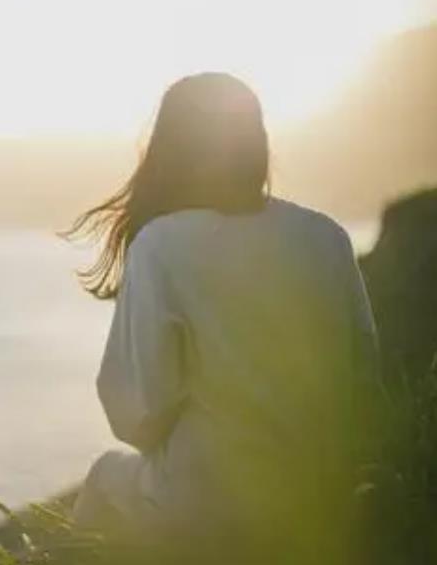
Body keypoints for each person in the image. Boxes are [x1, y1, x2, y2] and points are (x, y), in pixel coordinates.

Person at [64, 73, 381, 562]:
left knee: (105, 476)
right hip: (322, 497)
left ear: (170, 150)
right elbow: (364, 380)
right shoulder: (326, 236)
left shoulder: (163, 245)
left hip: (212, 507)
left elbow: (137, 416)